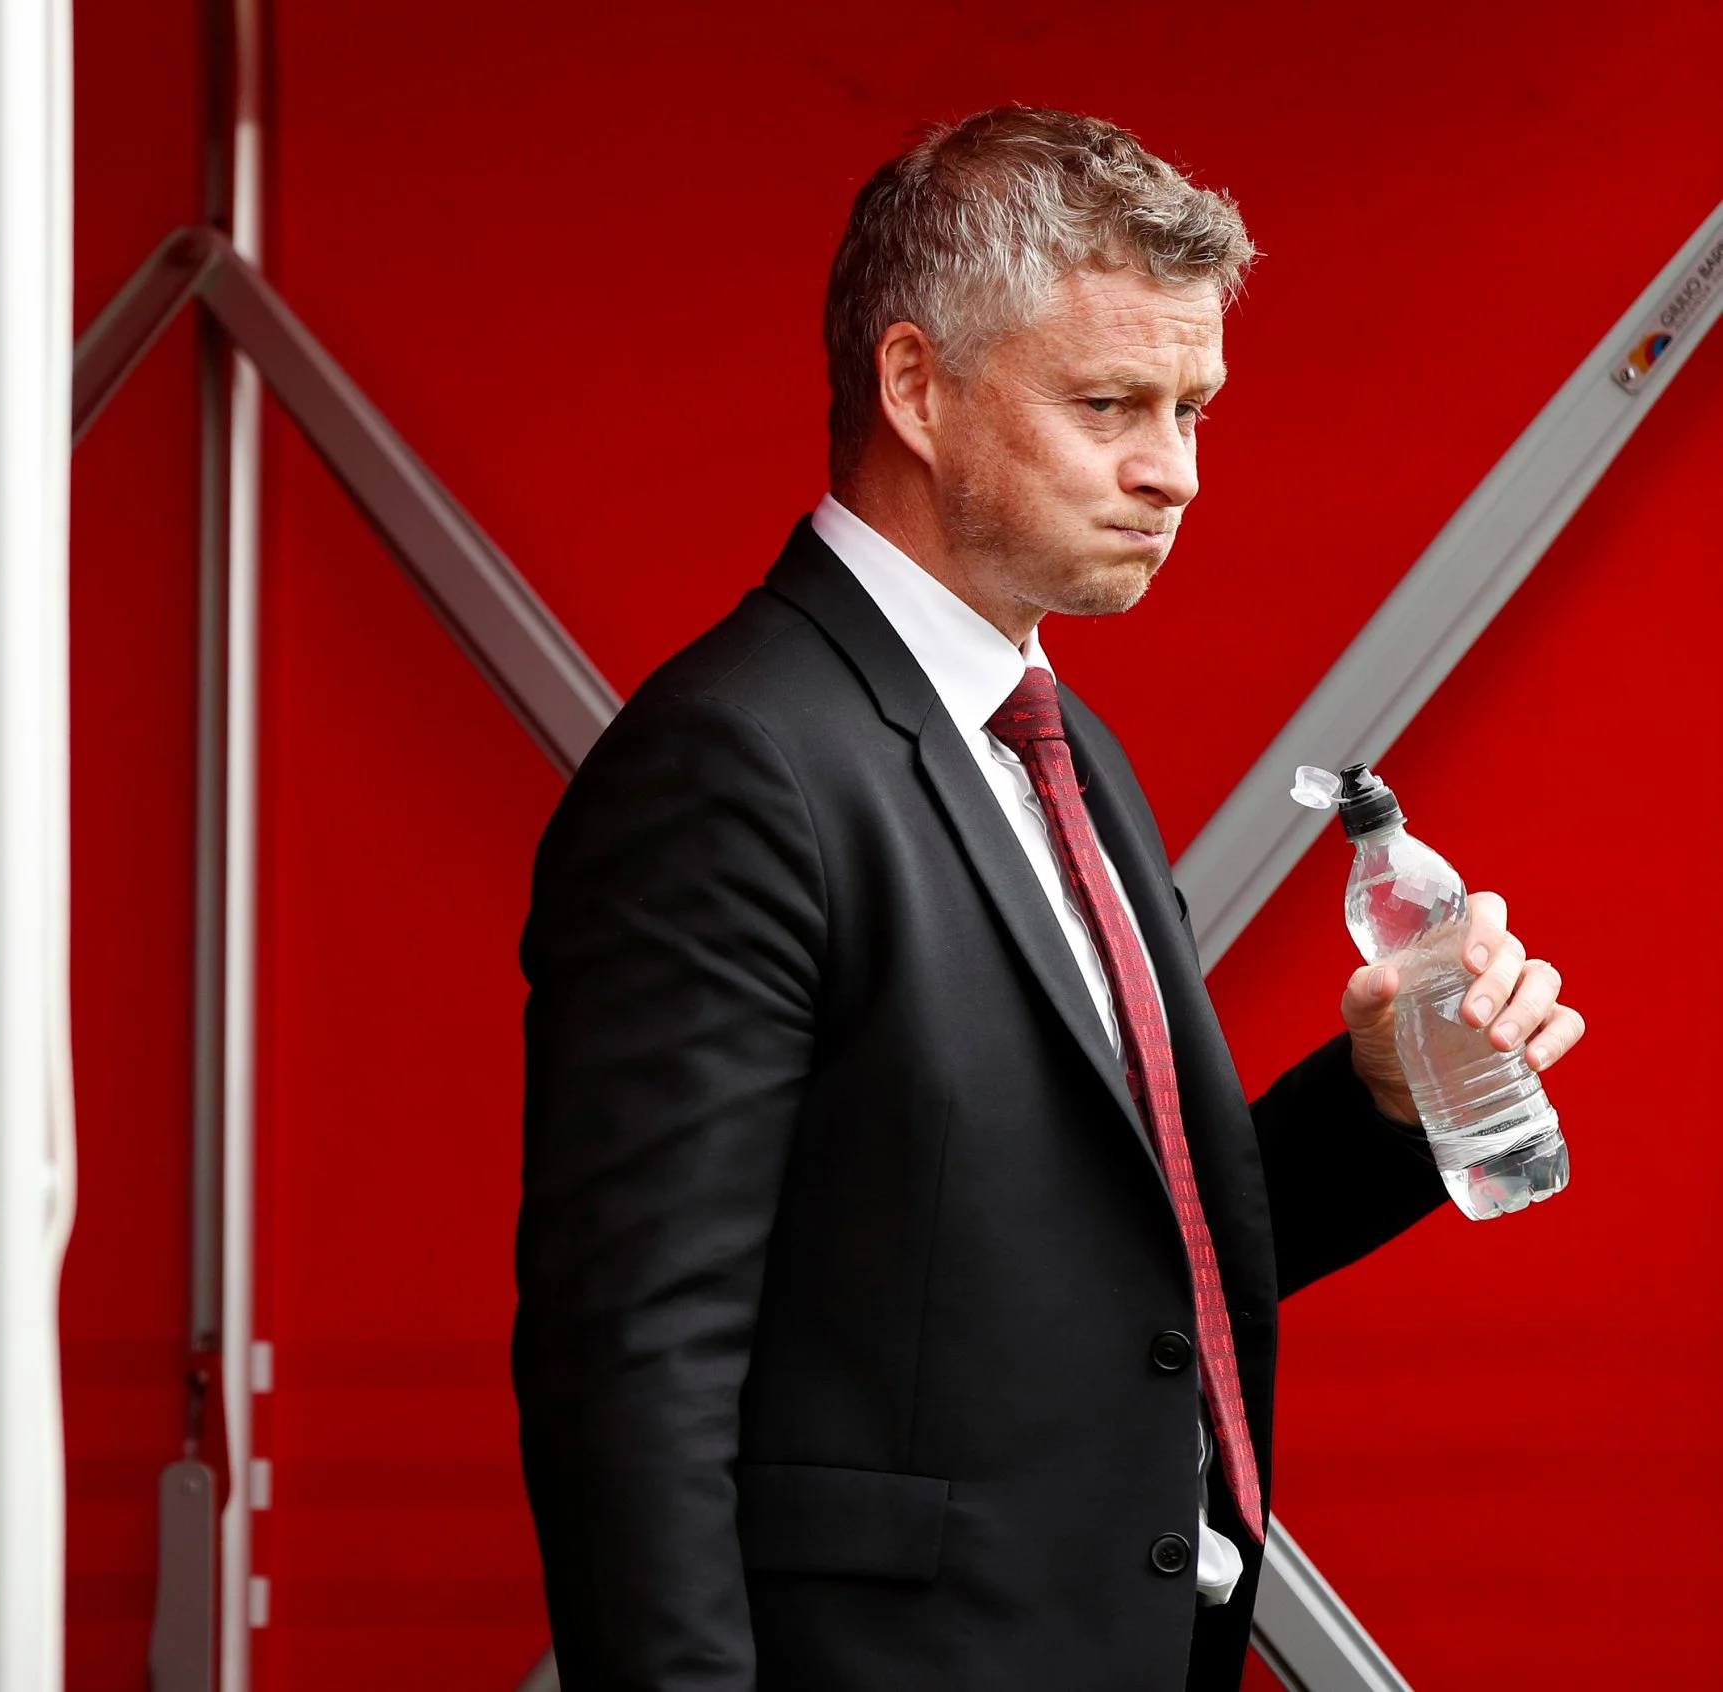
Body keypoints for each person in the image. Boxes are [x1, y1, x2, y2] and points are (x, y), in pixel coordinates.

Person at [511, 106, 1586, 1692]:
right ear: (915, 387)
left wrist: (1384, 1094)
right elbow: (629, 1371)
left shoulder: (1058, 740)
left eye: (1194, 409)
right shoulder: (732, 764)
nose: (1176, 472)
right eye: (1110, 405)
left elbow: (1119, 1273)